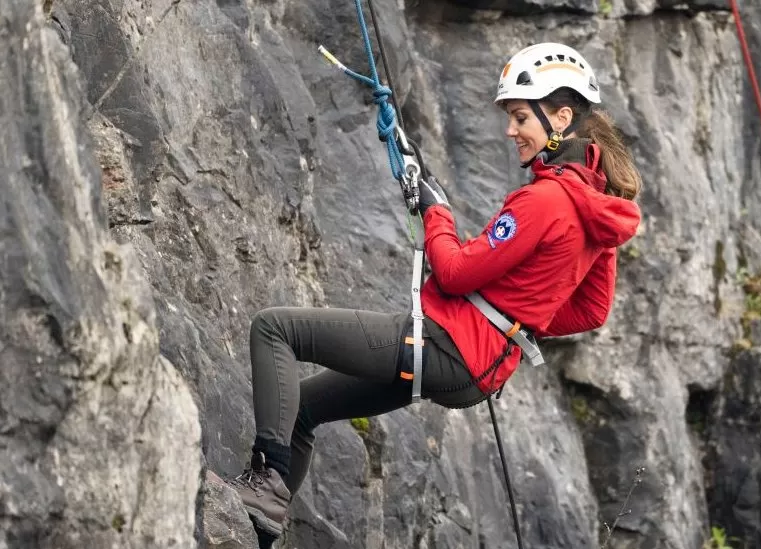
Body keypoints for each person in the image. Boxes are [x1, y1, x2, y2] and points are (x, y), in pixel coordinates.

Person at [223, 42, 642, 537]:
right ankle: (260, 528)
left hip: (446, 346)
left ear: (562, 117)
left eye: (522, 118)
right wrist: (515, 315)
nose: (511, 131)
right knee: (305, 409)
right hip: (476, 368)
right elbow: (592, 310)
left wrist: (434, 208)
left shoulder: (546, 200)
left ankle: (264, 479)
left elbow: (455, 274)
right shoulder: (597, 204)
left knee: (274, 329)